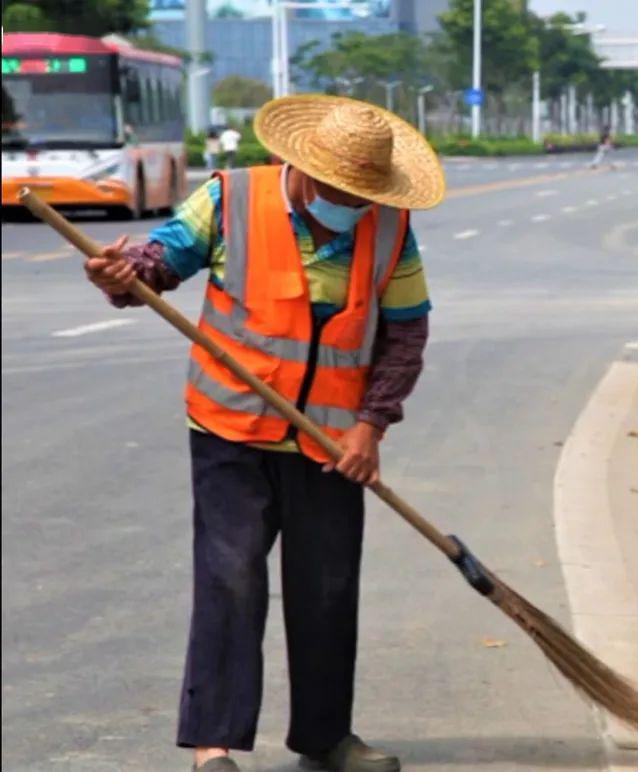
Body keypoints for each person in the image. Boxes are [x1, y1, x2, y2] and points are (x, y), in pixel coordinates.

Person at [83, 95, 445, 772]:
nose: (352, 203)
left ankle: (325, 737)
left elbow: (405, 333)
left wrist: (371, 426)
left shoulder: (390, 229)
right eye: (342, 190)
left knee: (329, 588)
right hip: (231, 431)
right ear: (303, 168)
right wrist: (121, 279)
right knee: (232, 578)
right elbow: (156, 267)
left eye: (364, 193)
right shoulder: (231, 199)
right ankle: (213, 744)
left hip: (332, 443)